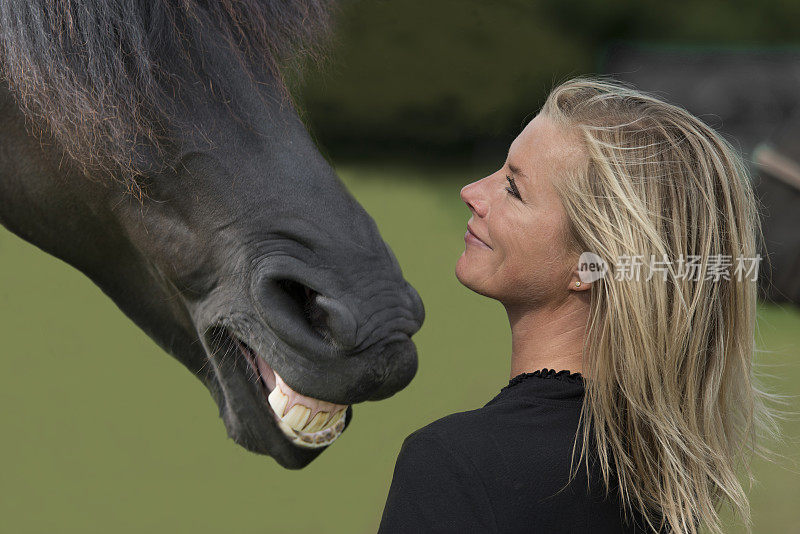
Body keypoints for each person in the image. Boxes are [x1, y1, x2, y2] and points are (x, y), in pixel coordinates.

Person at [377, 77, 777, 533]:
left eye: (513, 189)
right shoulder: (663, 485)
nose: (471, 191)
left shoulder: (457, 464)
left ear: (590, 266)